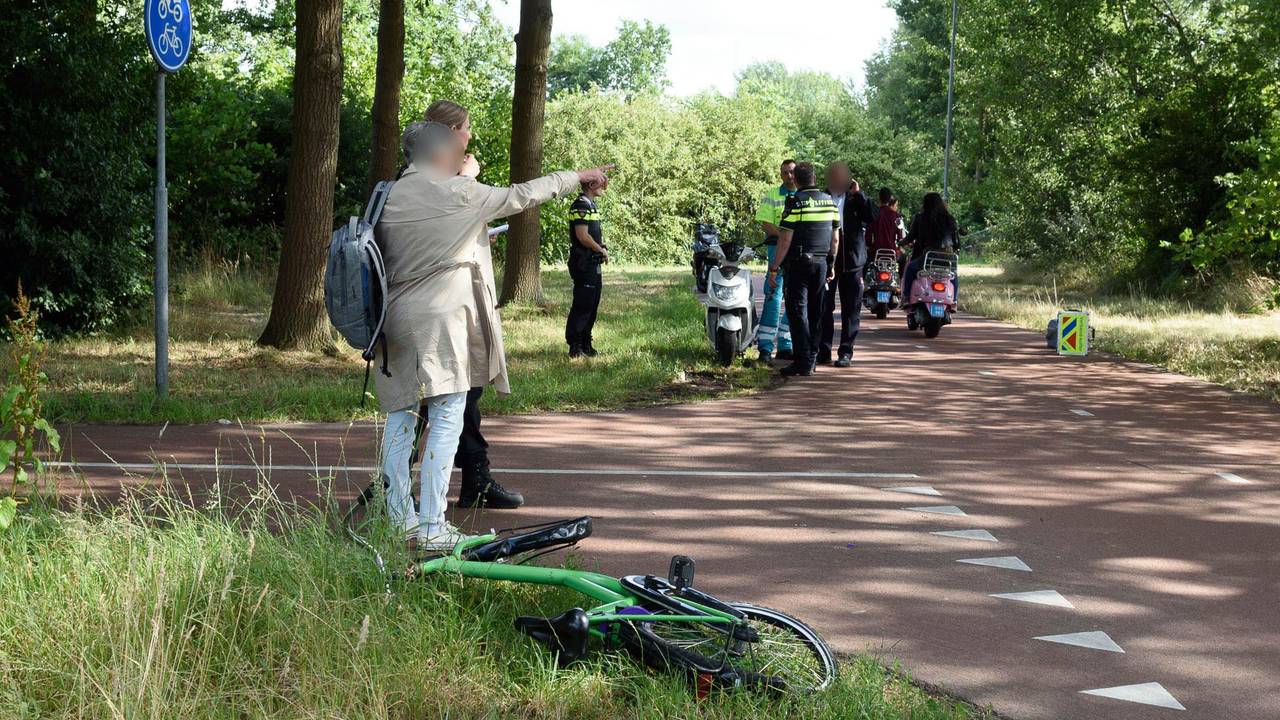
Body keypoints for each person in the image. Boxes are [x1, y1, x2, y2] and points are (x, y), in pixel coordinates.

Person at [375, 121, 609, 550]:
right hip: (440, 320)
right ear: (442, 154)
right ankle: (432, 525)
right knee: (447, 412)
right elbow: (524, 194)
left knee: (401, 418)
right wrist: (577, 176)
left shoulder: (388, 193)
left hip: (389, 320)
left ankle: (397, 518)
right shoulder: (458, 193)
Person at [401, 101, 521, 510]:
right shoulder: (439, 178)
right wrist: (467, 179)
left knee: (457, 401)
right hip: (440, 311)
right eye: (466, 128)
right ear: (452, 132)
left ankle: (471, 479)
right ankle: (418, 502)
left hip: (445, 305)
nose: (470, 136)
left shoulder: (420, 175)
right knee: (444, 404)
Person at [767, 162, 839, 377]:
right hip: (821, 264)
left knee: (797, 311)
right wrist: (831, 264)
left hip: (799, 264)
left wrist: (774, 268)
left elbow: (785, 239)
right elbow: (835, 239)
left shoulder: (795, 202)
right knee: (816, 310)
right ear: (814, 178)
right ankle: (812, 357)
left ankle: (803, 360)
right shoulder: (830, 203)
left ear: (796, 180)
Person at [820, 171, 873, 368]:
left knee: (851, 309)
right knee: (824, 307)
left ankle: (845, 352)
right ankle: (823, 350)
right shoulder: (822, 197)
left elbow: (872, 216)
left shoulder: (856, 198)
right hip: (827, 260)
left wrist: (859, 194)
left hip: (852, 262)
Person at [755, 159, 798, 364]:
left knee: (794, 297)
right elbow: (766, 223)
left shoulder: (803, 194)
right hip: (776, 250)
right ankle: (765, 347)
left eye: (791, 172)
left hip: (797, 252)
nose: (788, 176)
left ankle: (785, 344)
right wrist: (784, 237)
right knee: (773, 295)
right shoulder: (772, 195)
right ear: (780, 175)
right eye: (784, 173)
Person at [566, 176, 609, 357]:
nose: (605, 187)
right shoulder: (580, 205)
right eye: (601, 183)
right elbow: (583, 236)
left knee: (593, 302)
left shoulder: (591, 205)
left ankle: (586, 341)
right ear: (591, 185)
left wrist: (602, 247)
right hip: (583, 262)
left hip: (593, 261)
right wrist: (599, 249)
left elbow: (593, 233)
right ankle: (575, 345)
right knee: (583, 303)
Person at [901, 192, 960, 303]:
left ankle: (906, 297)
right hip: (947, 259)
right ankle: (955, 300)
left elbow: (910, 237)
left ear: (925, 204)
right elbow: (956, 242)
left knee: (910, 269)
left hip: (928, 259)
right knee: (954, 275)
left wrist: (900, 243)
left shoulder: (920, 218)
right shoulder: (950, 219)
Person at [868, 187, 905, 257]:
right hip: (892, 252)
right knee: (904, 259)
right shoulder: (896, 216)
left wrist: (870, 246)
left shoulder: (874, 213)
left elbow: (868, 236)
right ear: (890, 199)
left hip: (876, 251)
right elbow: (900, 237)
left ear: (879, 198)